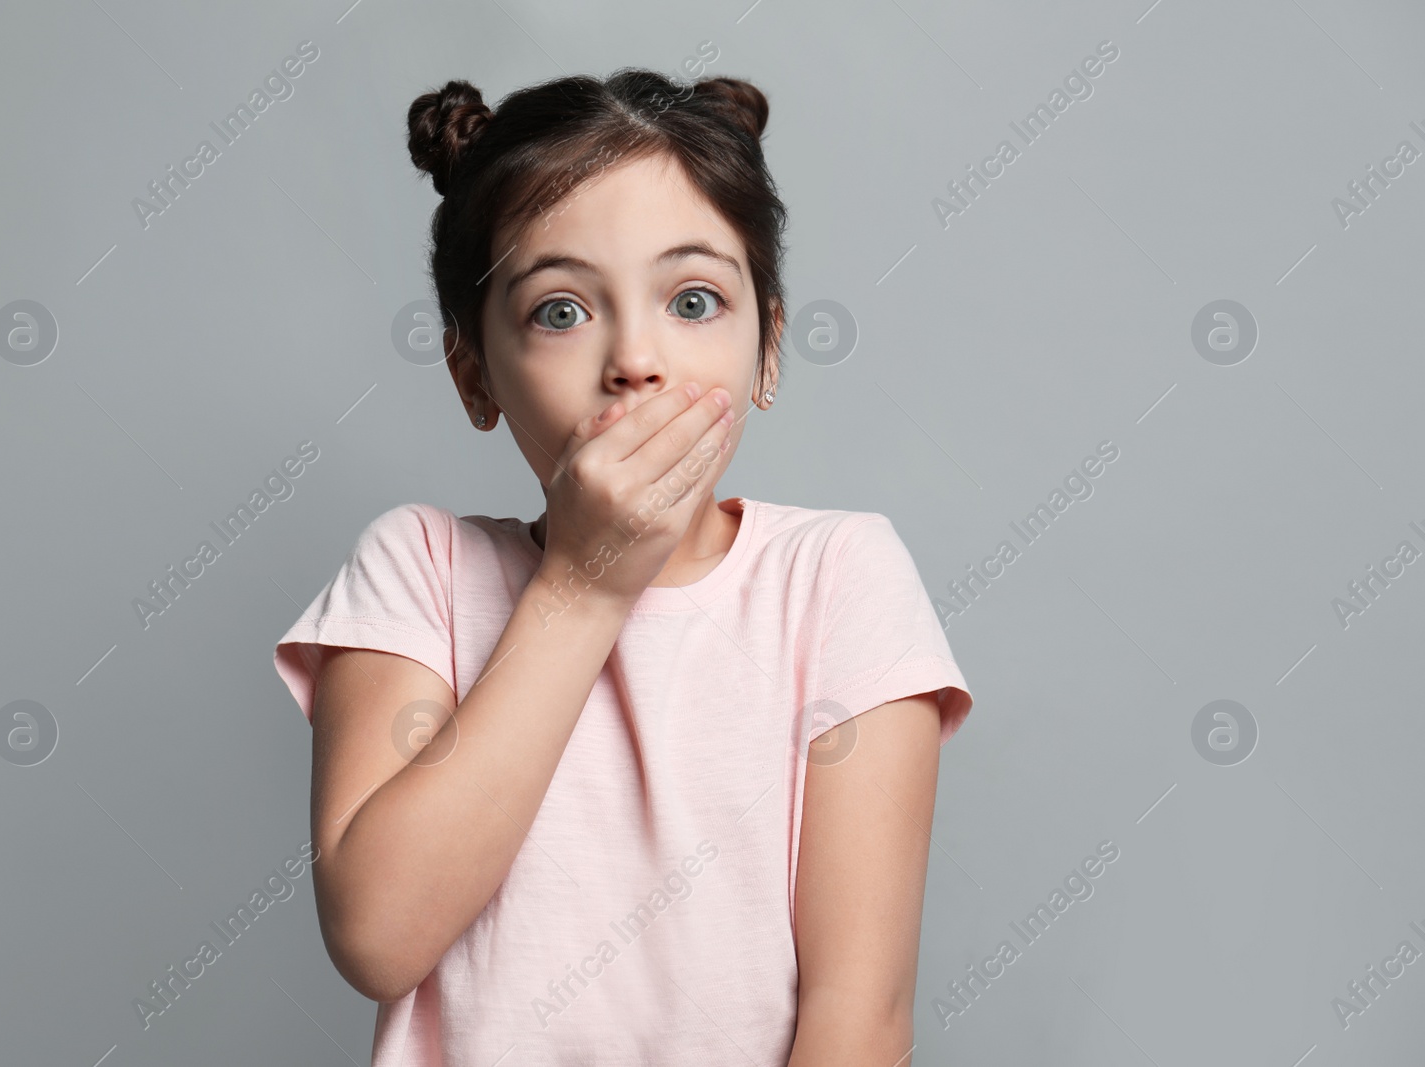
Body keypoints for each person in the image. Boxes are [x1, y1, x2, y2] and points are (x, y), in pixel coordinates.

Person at [272, 67, 974, 1066]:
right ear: (475, 375)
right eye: (560, 310)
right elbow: (379, 933)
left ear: (767, 348)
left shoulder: (837, 579)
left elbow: (858, 1014)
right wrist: (585, 583)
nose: (635, 359)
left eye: (693, 299)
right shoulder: (417, 568)